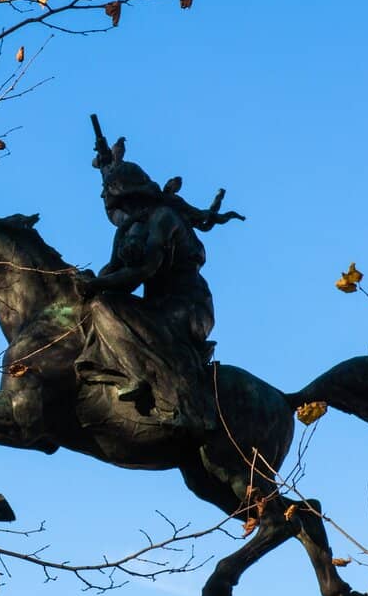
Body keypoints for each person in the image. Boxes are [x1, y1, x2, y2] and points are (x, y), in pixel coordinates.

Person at [74, 118, 244, 436]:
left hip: (186, 306)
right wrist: (87, 281)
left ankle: (144, 378)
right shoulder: (130, 227)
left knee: (103, 306)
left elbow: (142, 271)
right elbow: (114, 270)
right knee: (100, 304)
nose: (116, 211)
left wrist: (97, 286)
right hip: (157, 304)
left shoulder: (163, 218)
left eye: (119, 203)